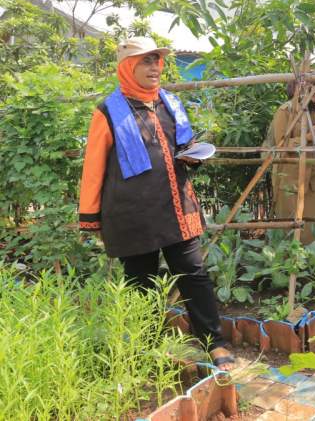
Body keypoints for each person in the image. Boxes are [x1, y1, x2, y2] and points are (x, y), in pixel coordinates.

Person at [78, 37, 235, 371]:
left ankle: (214, 344)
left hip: (176, 207)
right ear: (127, 67)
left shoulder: (170, 103)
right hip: (132, 214)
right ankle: (147, 349)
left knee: (193, 274)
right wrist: (90, 217)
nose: (154, 67)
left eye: (157, 60)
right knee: (141, 282)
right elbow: (93, 168)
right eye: (146, 61)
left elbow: (184, 145)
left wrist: (193, 156)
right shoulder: (108, 112)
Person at [268, 79, 315, 243]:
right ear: (299, 87)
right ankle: (292, 264)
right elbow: (281, 145)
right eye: (313, 86)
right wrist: (308, 136)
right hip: (291, 177)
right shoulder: (286, 111)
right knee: (292, 228)